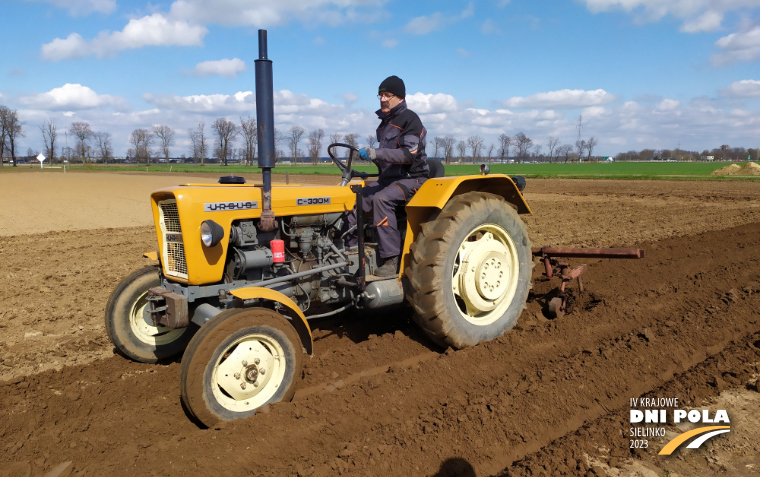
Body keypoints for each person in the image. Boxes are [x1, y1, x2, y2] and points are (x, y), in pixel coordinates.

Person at [345, 75, 429, 277]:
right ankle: (351, 252)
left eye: (387, 95)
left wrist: (376, 153)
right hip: (388, 180)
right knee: (352, 198)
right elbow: (386, 158)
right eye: (380, 95)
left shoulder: (410, 120)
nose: (382, 99)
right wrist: (374, 160)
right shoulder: (383, 125)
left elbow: (409, 155)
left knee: (381, 199)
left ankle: (391, 259)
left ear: (399, 97)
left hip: (412, 179)